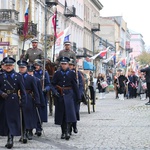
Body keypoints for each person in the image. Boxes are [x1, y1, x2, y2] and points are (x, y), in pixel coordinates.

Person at [51, 56, 81, 140]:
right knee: (61, 114)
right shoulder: (57, 73)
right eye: (62, 64)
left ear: (68, 64)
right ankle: (63, 132)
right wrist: (55, 92)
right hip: (60, 95)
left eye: (65, 64)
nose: (63, 65)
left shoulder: (71, 73)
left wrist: (78, 97)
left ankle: (68, 131)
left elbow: (75, 85)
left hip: (69, 94)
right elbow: (52, 84)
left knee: (69, 114)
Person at [0, 57, 27, 149]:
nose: (8, 67)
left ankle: (10, 138)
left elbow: (23, 91)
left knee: (12, 120)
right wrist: (1, 93)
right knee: (5, 121)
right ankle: (7, 136)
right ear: (4, 66)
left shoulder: (18, 76)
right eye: (7, 65)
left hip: (13, 100)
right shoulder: (1, 76)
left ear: (13, 66)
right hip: (3, 100)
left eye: (10, 65)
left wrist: (23, 102)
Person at [17, 60, 40, 142]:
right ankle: (22, 133)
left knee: (27, 116)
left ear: (26, 68)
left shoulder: (31, 78)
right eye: (20, 67)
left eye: (23, 67)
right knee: (20, 116)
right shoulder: (16, 77)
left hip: (28, 98)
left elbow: (35, 90)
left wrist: (37, 101)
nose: (21, 69)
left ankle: (27, 131)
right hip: (18, 97)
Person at [33, 59, 57, 136]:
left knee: (40, 112)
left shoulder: (44, 73)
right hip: (33, 95)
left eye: (37, 65)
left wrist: (45, 89)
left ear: (40, 66)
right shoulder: (31, 72)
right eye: (35, 65)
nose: (36, 67)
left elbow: (48, 84)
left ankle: (39, 128)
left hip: (41, 95)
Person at [69, 58, 83, 134]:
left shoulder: (78, 74)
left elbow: (80, 85)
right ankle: (69, 128)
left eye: (71, 65)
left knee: (75, 111)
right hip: (69, 95)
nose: (70, 66)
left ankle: (74, 125)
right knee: (69, 112)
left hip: (75, 95)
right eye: (69, 65)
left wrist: (79, 94)